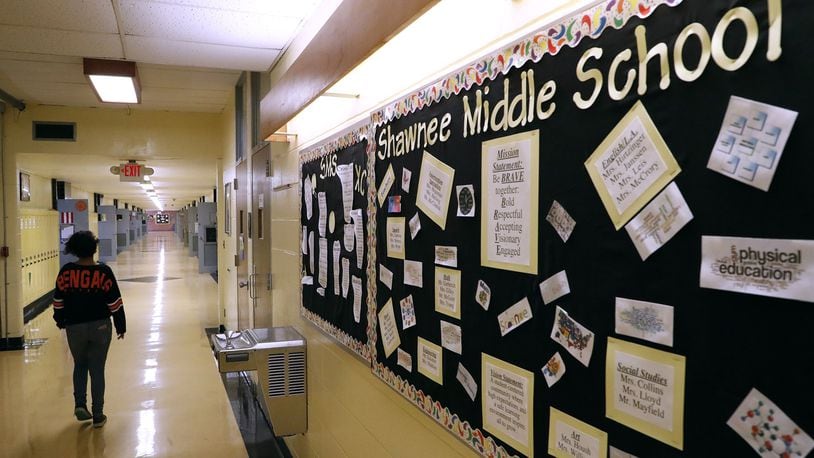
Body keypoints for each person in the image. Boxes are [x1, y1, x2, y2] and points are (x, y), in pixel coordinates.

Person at [52, 231, 126, 428]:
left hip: (74, 326)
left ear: (74, 250)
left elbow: (58, 301)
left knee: (80, 364)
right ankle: (99, 414)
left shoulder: (66, 272)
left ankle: (80, 404)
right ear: (94, 249)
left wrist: (61, 321)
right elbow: (115, 302)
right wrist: (120, 326)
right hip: (100, 326)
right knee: (97, 368)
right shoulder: (104, 272)